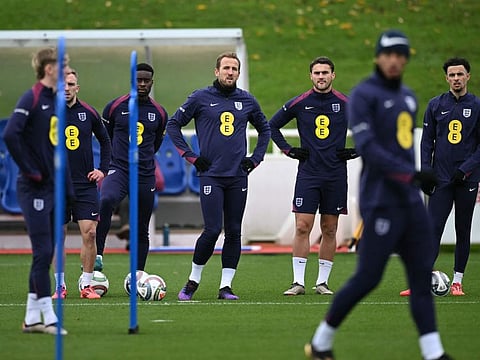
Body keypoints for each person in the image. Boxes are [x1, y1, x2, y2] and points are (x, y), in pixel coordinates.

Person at [305, 30, 452, 360]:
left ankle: (434, 353)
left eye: (401, 55)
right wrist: (412, 175)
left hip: (410, 201)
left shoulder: (410, 97)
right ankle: (321, 342)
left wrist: (414, 178)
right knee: (368, 277)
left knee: (420, 275)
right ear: (378, 57)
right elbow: (369, 149)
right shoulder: (363, 96)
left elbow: (401, 149)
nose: (395, 61)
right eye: (389, 55)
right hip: (381, 200)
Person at [167, 52, 271, 301]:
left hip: (237, 176)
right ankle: (193, 280)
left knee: (234, 231)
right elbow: (173, 124)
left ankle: (226, 287)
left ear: (238, 72)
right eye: (226, 68)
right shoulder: (200, 97)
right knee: (213, 229)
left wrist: (255, 158)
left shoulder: (247, 100)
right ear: (216, 71)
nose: (230, 72)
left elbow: (264, 128)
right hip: (211, 175)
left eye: (234, 68)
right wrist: (191, 156)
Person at [269, 56, 357, 296]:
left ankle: (322, 283)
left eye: (325, 72)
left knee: (330, 228)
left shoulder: (346, 103)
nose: (321, 77)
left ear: (333, 75)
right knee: (302, 226)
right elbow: (271, 126)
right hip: (308, 173)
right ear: (311, 76)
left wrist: (357, 150)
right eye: (317, 73)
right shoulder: (300, 102)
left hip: (336, 174)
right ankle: (298, 282)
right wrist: (289, 150)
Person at [3, 47, 70, 335]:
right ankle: (48, 315)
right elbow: (10, 135)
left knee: (47, 251)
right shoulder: (30, 98)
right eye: (63, 64)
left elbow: (55, 147)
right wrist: (30, 170)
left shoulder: (56, 101)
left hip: (52, 187)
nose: (68, 69)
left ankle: (31, 319)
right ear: (49, 68)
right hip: (33, 188)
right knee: (43, 252)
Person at [408, 57, 480, 297]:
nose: (456, 79)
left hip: (467, 178)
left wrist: (466, 169)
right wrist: (426, 171)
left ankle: (457, 281)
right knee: (432, 228)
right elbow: (426, 141)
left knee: (463, 228)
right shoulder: (436, 105)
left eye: (460, 74)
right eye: (452, 75)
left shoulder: (477, 106)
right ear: (446, 78)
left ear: (468, 76)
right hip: (441, 178)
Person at [95, 63, 167, 272]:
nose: (142, 83)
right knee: (106, 200)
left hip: (144, 173)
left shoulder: (160, 113)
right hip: (119, 168)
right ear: (132, 81)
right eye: (138, 80)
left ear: (152, 82)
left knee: (141, 227)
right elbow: (105, 137)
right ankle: (97, 255)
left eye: (146, 80)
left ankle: (138, 274)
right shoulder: (114, 107)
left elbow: (155, 145)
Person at [52, 69, 112, 300]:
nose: (66, 88)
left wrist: (103, 170)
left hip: (85, 185)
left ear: (77, 87)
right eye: (62, 85)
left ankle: (86, 285)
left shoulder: (89, 113)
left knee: (90, 233)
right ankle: (60, 286)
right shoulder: (48, 114)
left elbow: (106, 142)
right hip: (57, 185)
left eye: (71, 84)